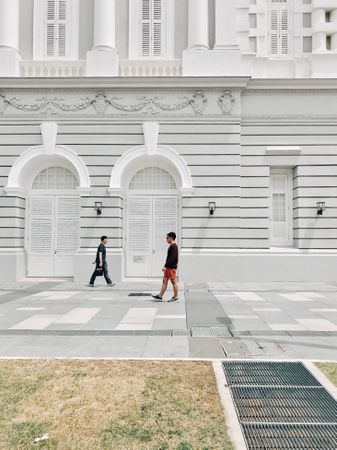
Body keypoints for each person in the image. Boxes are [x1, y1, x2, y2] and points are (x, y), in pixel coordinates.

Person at [152, 232, 179, 302]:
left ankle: (176, 297)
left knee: (174, 282)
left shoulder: (174, 246)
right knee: (164, 281)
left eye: (167, 238)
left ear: (171, 238)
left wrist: (166, 266)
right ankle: (160, 296)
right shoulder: (172, 246)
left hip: (171, 268)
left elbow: (172, 258)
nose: (166, 239)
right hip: (168, 268)